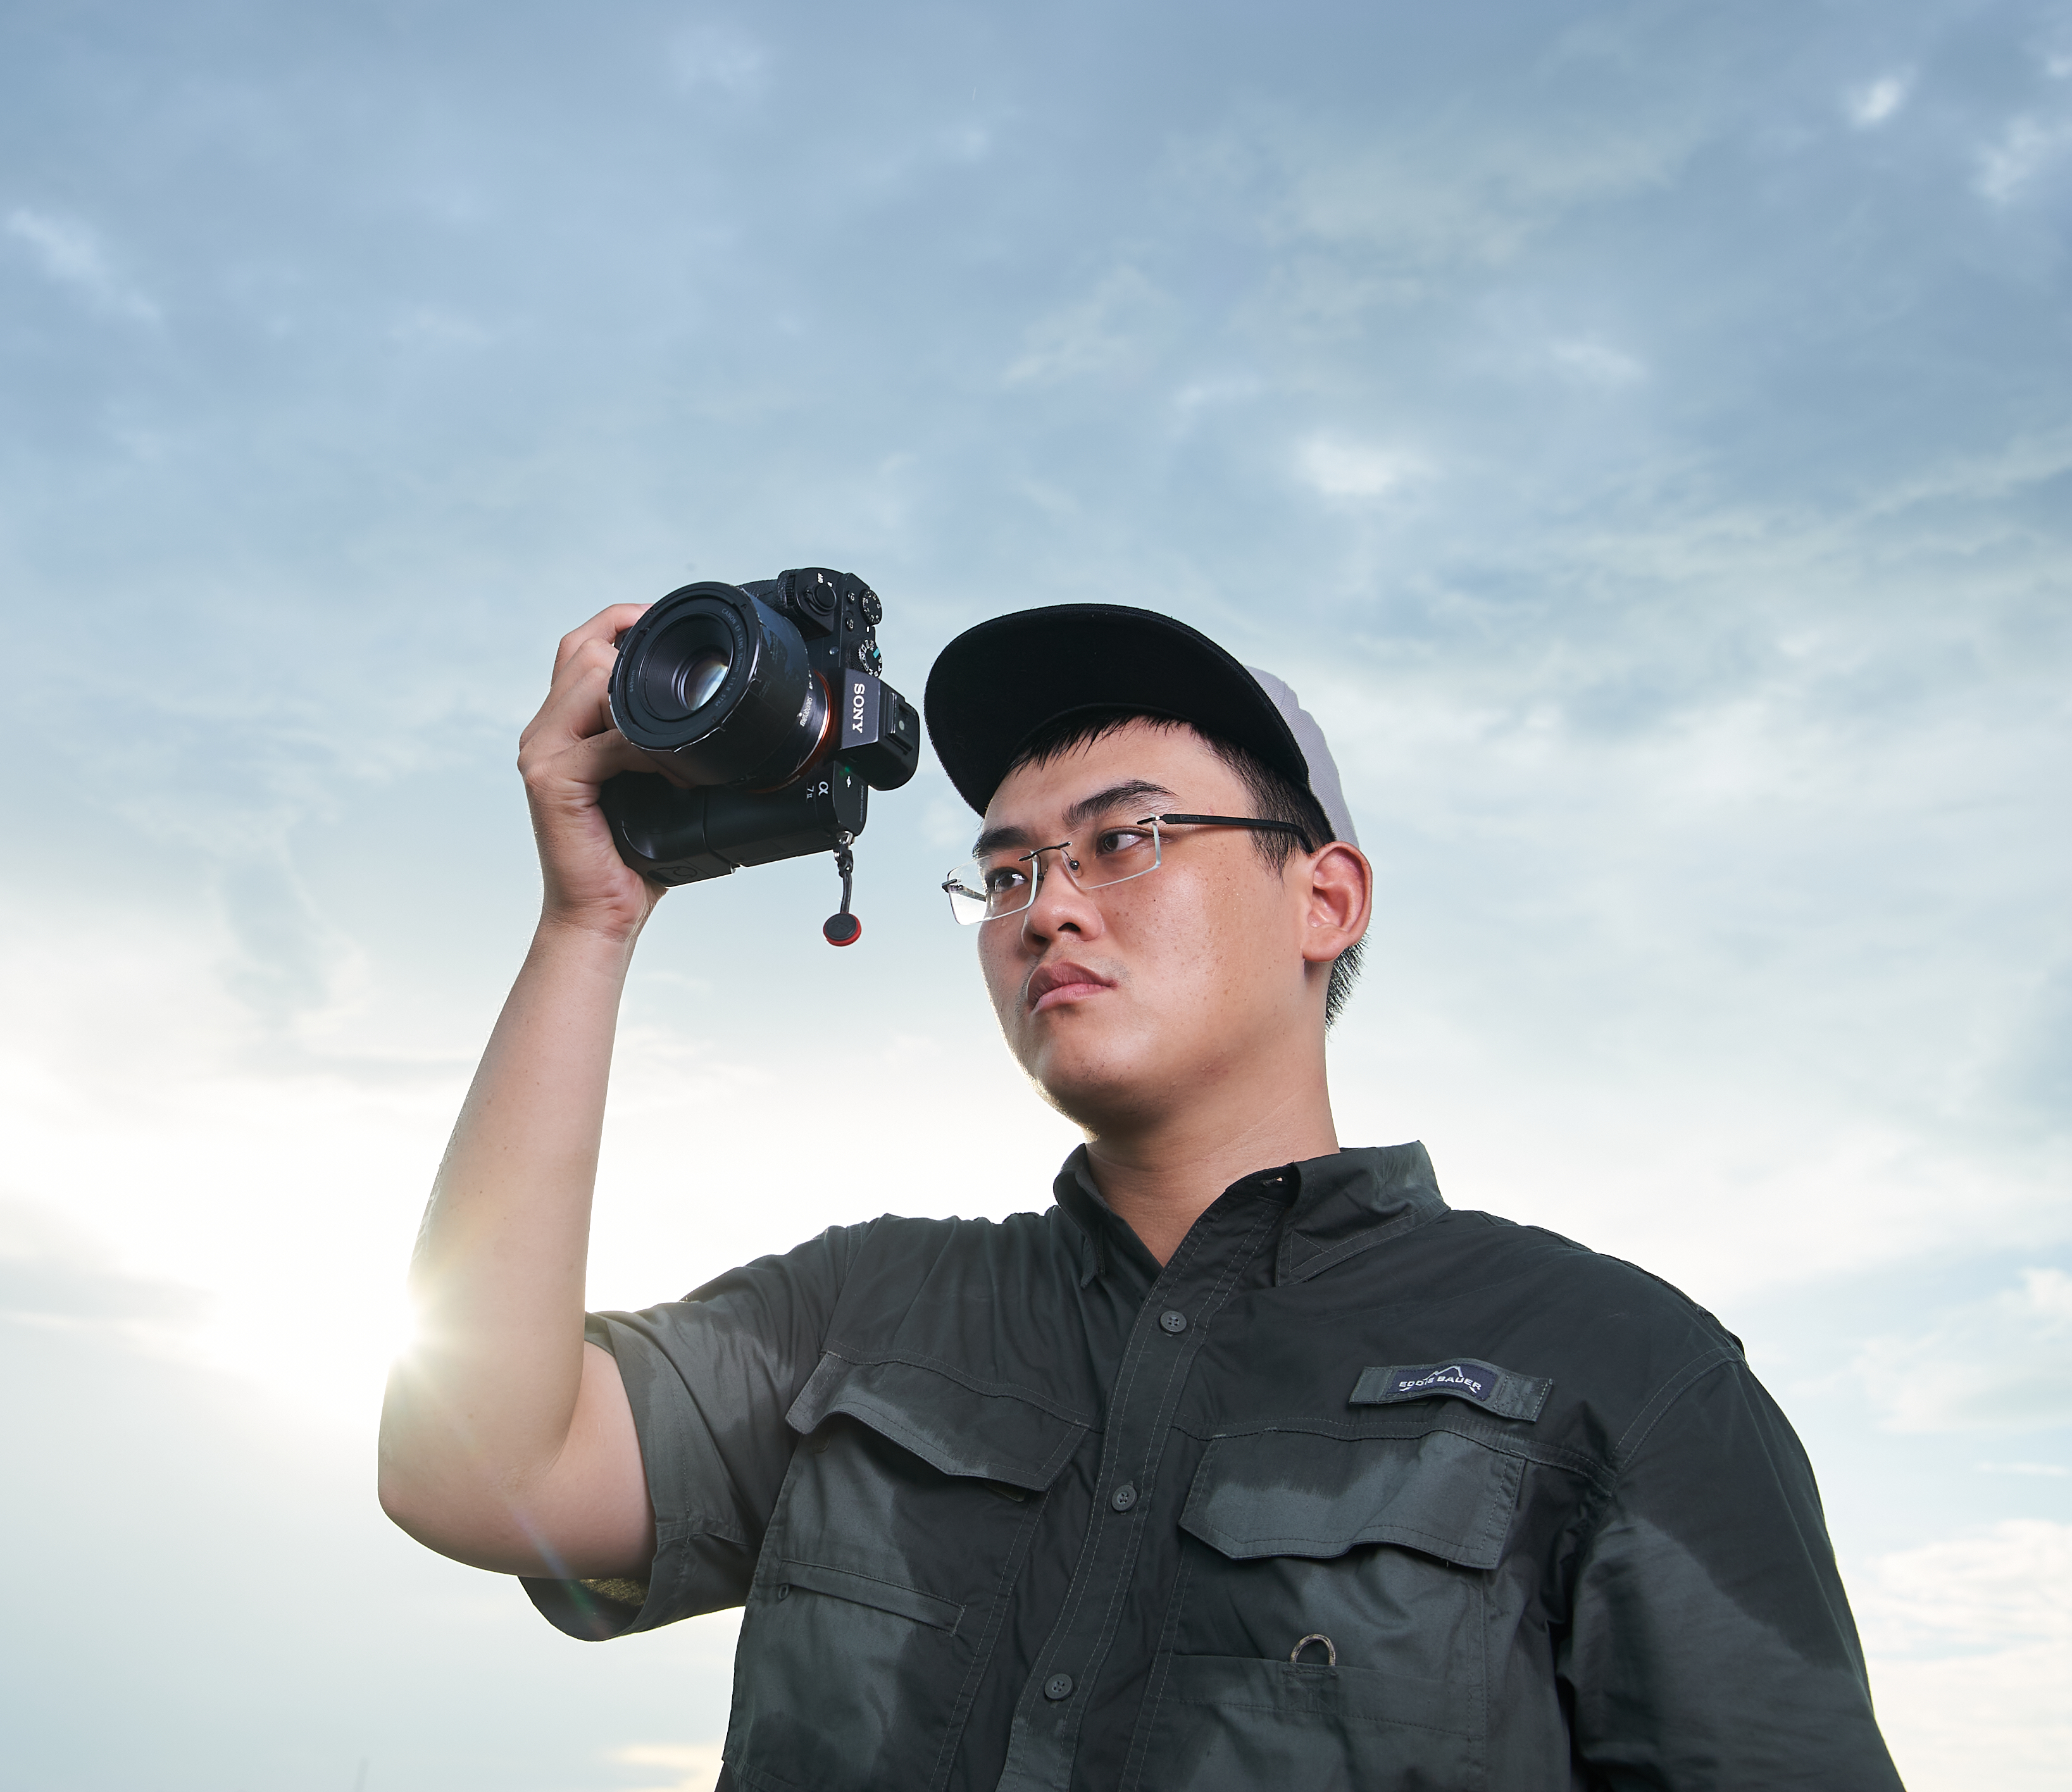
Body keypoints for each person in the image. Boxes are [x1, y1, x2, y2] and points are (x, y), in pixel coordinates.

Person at [377, 600, 1902, 1791]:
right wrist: (588, 922)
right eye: (1007, 873)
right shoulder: (859, 1313)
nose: (1048, 908)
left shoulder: (1612, 1366)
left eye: (1126, 842)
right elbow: (472, 1472)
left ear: (1324, 898)